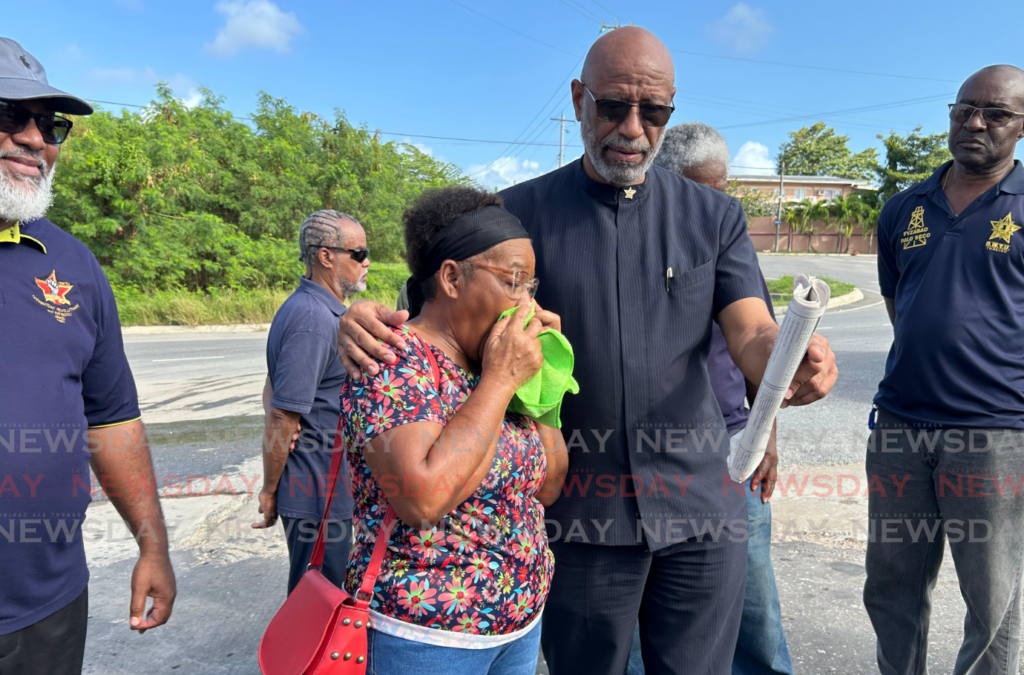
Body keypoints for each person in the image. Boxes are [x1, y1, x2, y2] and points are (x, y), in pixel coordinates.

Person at [336, 27, 836, 675]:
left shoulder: (714, 218)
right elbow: (437, 310)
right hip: (578, 518)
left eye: (653, 111)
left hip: (701, 517)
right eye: (613, 106)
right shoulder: (519, 214)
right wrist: (357, 320)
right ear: (579, 100)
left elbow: (749, 332)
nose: (632, 127)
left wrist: (790, 360)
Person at [337, 186, 568, 674]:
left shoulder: (496, 360)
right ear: (451, 278)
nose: (526, 303)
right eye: (515, 282)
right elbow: (422, 499)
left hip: (518, 626)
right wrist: (501, 381)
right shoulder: (392, 359)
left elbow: (548, 487)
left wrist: (545, 384)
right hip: (427, 637)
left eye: (531, 286)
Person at [0, 38, 175, 674]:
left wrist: (152, 545)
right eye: (7, 115)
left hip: (48, 606)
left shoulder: (72, 264)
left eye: (49, 126)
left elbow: (111, 419)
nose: (32, 140)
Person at [866, 64, 1024, 675]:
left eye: (996, 113)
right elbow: (897, 303)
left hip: (996, 434)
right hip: (901, 427)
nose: (975, 123)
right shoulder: (904, 207)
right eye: (964, 110)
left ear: (1021, 125)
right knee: (891, 588)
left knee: (993, 600)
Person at [623, 122, 792, 675]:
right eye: (700, 188)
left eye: (721, 190)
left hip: (733, 449)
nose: (713, 204)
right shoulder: (630, 248)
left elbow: (761, 340)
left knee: (753, 610)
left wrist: (766, 435)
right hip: (644, 455)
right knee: (650, 618)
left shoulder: (727, 237)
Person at [252, 210, 369, 593]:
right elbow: (282, 416)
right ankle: (297, 657)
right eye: (358, 253)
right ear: (325, 256)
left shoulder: (321, 310)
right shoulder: (314, 320)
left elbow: (274, 388)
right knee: (319, 603)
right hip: (317, 492)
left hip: (327, 489)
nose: (367, 262)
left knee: (327, 597)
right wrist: (270, 489)